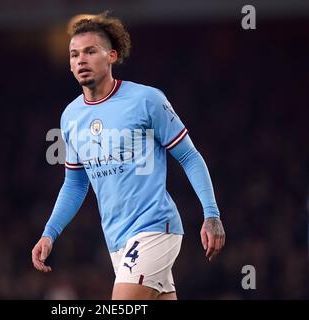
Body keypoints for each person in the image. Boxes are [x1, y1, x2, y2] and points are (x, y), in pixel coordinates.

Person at [32, 12, 225, 300]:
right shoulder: (70, 117)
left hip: (155, 228)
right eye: (74, 55)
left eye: (90, 51)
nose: (80, 60)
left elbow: (189, 157)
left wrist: (211, 214)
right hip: (117, 242)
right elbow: (75, 183)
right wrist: (49, 233)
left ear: (111, 55)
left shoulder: (146, 100)